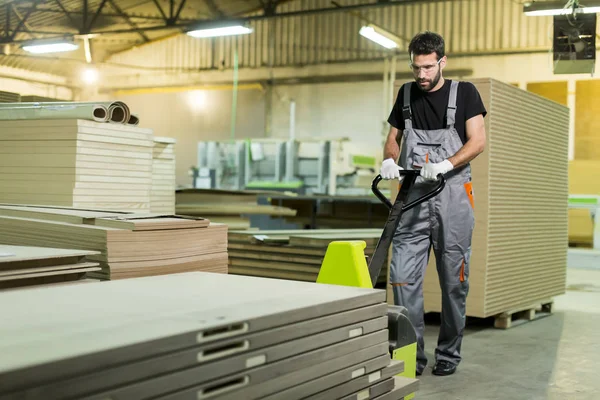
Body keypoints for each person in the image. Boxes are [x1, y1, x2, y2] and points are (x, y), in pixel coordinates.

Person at [380, 31, 487, 376]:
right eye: (416, 68)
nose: (422, 75)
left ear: (442, 61)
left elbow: (478, 141)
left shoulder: (465, 93)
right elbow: (393, 138)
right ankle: (412, 356)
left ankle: (448, 355)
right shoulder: (407, 93)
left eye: (428, 67)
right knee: (402, 280)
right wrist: (388, 160)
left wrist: (446, 163)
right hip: (411, 199)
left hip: (452, 198)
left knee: (453, 283)